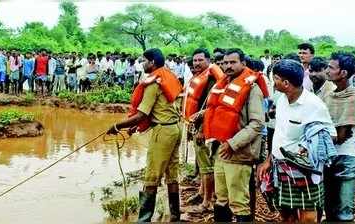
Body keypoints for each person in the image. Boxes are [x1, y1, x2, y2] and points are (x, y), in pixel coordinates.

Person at [106, 48, 182, 222]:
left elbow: (142, 114)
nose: (142, 64)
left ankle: (143, 220)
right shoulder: (168, 76)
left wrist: (116, 125)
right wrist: (135, 128)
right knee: (172, 173)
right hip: (175, 128)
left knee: (151, 176)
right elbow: (160, 109)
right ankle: (175, 216)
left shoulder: (154, 83)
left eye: (144, 61)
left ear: (152, 62)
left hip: (163, 132)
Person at [258, 59, 336, 222]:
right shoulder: (282, 100)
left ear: (286, 83)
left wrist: (308, 147)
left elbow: (331, 135)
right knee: (286, 214)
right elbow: (280, 135)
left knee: (308, 216)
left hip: (305, 169)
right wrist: (269, 159)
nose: (273, 82)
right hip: (281, 166)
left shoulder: (314, 105)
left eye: (276, 78)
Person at [203, 48, 267, 222]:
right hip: (219, 152)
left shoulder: (252, 89)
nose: (228, 66)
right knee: (221, 199)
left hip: (238, 154)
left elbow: (257, 124)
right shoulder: (223, 85)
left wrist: (233, 143)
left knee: (239, 203)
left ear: (243, 64)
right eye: (225, 63)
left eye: (233, 62)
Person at [182, 48, 225, 214]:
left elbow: (212, 108)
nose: (197, 63)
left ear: (208, 61)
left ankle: (207, 202)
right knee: (201, 163)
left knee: (206, 167)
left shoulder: (211, 81)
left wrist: (201, 130)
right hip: (196, 126)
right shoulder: (198, 77)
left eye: (200, 60)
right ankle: (201, 193)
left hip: (205, 129)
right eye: (195, 61)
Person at [324, 52, 355, 222]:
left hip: (346, 159)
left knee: (344, 212)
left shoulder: (354, 99)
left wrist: (317, 138)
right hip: (328, 157)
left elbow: (341, 136)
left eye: (331, 67)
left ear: (343, 73)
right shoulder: (330, 95)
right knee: (329, 208)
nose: (327, 71)